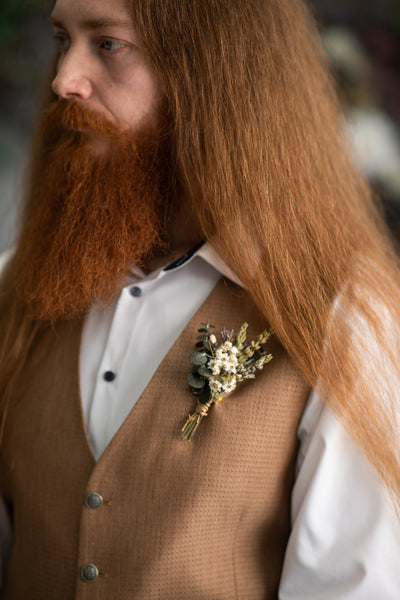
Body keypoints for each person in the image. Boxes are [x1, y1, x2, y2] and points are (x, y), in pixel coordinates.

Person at [0, 0, 400, 597]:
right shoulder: (13, 288)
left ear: (212, 73)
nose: (63, 81)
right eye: (63, 39)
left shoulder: (344, 317)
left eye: (108, 44)